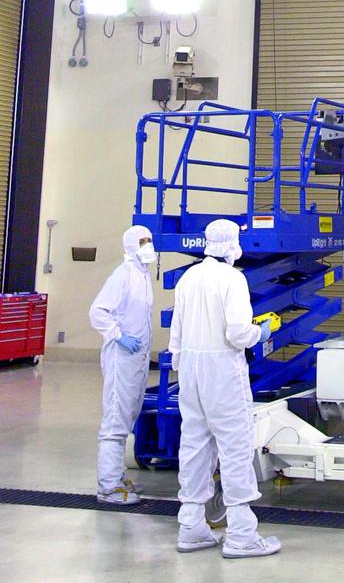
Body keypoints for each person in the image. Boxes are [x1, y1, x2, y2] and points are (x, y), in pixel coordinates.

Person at [169, 218, 281, 558]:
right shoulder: (233, 278)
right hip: (221, 369)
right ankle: (242, 534)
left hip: (188, 367)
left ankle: (191, 525)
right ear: (231, 243)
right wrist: (260, 332)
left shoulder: (188, 276)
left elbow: (176, 330)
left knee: (194, 443)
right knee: (235, 445)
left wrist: (180, 362)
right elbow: (236, 333)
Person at [89, 225, 156, 505]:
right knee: (115, 421)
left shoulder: (142, 274)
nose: (148, 245)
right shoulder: (123, 274)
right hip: (122, 355)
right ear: (130, 245)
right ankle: (108, 488)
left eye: (150, 240)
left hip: (137, 357)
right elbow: (97, 311)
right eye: (143, 241)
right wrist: (118, 336)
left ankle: (116, 478)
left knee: (128, 415)